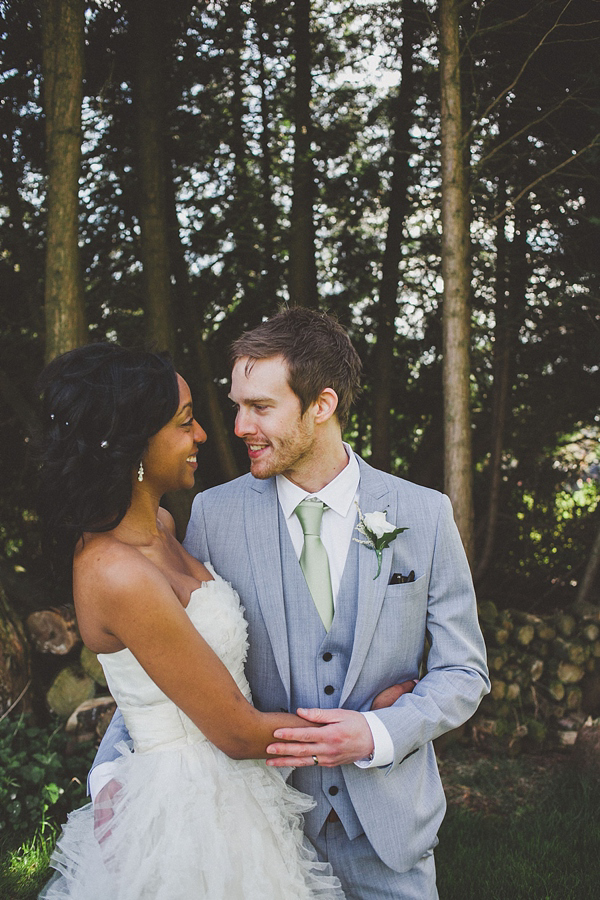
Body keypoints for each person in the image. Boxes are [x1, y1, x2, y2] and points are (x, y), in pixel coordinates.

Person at [94, 309, 490, 900]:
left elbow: (464, 671)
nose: (237, 425)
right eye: (235, 405)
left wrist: (378, 731)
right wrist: (111, 770)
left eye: (260, 407)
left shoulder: (424, 514)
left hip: (388, 834)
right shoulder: (215, 515)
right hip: (262, 830)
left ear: (321, 406)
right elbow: (171, 655)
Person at [35, 343, 347, 900]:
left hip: (236, 791)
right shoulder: (116, 573)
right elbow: (234, 730)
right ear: (135, 443)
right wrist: (369, 724)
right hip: (187, 812)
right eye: (185, 423)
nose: (203, 434)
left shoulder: (161, 525)